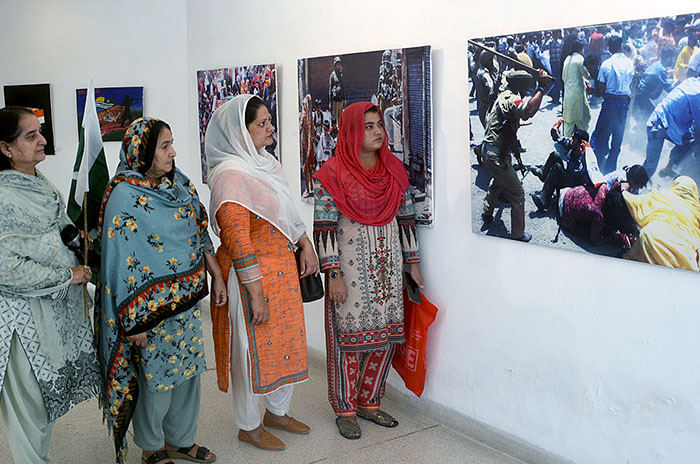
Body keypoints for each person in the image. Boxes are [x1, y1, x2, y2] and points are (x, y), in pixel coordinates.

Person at [98, 118, 223, 464]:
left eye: (172, 144)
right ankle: (151, 447)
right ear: (143, 151)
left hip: (184, 305)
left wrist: (216, 274)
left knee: (187, 375)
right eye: (165, 146)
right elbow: (120, 263)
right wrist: (133, 322)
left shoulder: (179, 185)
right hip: (147, 314)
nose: (174, 152)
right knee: (156, 382)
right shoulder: (123, 195)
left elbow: (198, 229)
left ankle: (181, 440)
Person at [205, 94, 317, 452]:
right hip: (250, 279)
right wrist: (255, 294)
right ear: (241, 131)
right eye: (262, 123)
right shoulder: (231, 178)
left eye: (270, 121)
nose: (271, 128)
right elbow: (237, 241)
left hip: (283, 274)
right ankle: (249, 425)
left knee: (287, 345)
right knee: (248, 353)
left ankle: (278, 413)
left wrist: (305, 243)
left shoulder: (266, 164)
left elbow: (287, 211)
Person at [313, 101, 424, 440]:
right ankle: (345, 409)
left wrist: (413, 264)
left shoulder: (392, 169)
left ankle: (370, 402)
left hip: (387, 271)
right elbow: (324, 227)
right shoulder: (331, 175)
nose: (378, 131)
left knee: (385, 338)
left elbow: (406, 219)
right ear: (352, 132)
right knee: (349, 343)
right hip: (349, 274)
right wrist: (332, 274)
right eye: (370, 126)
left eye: (379, 125)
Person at [0, 107, 100, 463]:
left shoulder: (37, 181)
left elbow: (58, 227)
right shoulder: (3, 196)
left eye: (39, 132)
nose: (42, 140)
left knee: (40, 407)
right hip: (20, 320)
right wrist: (66, 275)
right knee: (27, 414)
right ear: (5, 148)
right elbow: (7, 267)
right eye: (30, 136)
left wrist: (78, 241)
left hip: (50, 313)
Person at [481, 69, 550, 242]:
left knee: (498, 180)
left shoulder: (505, 90)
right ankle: (518, 234)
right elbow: (527, 111)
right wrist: (541, 87)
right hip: (496, 154)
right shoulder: (511, 99)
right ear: (521, 86)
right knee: (518, 195)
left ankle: (487, 212)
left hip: (492, 151)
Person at [623, 176, 700, 270]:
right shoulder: (696, 211)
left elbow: (635, 201)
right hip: (684, 254)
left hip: (651, 236)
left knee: (631, 264)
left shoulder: (663, 195)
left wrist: (624, 192)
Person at [530, 120, 602, 212]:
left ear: (581, 143)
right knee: (555, 155)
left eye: (574, 139)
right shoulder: (573, 146)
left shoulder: (586, 160)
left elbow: (585, 178)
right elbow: (558, 138)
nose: (571, 140)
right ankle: (543, 174)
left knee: (557, 168)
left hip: (572, 188)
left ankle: (543, 202)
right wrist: (554, 129)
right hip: (568, 177)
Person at [591, 36, 635, 174]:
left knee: (602, 138)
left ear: (609, 48)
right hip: (623, 104)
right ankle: (610, 172)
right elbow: (631, 83)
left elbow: (602, 88)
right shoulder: (629, 63)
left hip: (610, 103)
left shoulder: (606, 64)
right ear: (621, 47)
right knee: (617, 141)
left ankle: (596, 170)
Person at [642, 77, 700, 177]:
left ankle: (669, 167)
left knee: (688, 140)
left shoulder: (691, 81)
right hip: (659, 124)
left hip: (670, 125)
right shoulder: (697, 93)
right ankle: (632, 188)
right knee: (650, 167)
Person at [561, 39, 592, 137]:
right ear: (581, 48)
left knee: (569, 121)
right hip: (578, 95)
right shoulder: (579, 58)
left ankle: (567, 142)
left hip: (568, 94)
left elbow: (563, 77)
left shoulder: (567, 59)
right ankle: (581, 142)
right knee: (584, 118)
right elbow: (587, 75)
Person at [329, 56, 345, 123]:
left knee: (341, 119)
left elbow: (343, 87)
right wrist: (330, 102)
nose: (339, 66)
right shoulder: (332, 76)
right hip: (335, 101)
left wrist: (344, 99)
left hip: (340, 100)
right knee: (334, 120)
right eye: (337, 64)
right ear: (335, 65)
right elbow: (330, 89)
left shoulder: (341, 75)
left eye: (339, 64)